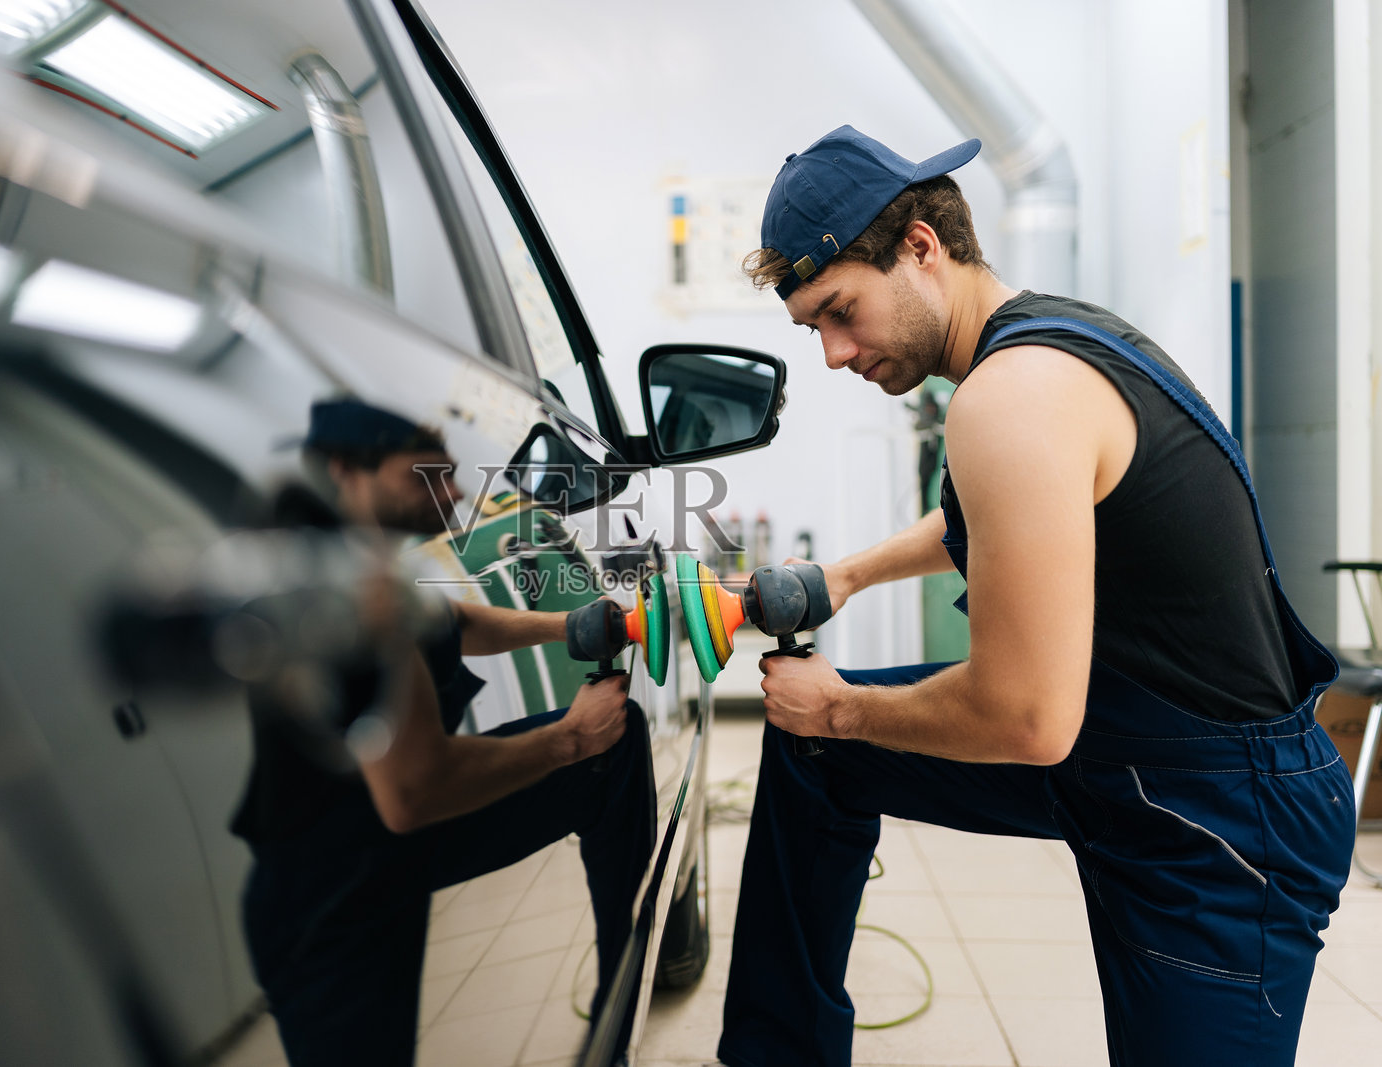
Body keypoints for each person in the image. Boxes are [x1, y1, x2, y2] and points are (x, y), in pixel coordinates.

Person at [716, 125, 1355, 1067]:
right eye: (812, 327)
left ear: (921, 250)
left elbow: (1024, 720)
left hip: (1218, 818)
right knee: (811, 748)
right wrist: (842, 577)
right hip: (1125, 750)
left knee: (830, 727)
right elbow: (1005, 520)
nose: (833, 354)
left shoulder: (1010, 396)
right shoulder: (1049, 343)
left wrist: (845, 706)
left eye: (840, 311)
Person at [231, 398, 655, 1067]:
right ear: (345, 470)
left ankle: (620, 987)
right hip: (330, 899)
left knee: (618, 742)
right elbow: (415, 791)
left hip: (385, 850)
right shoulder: (333, 591)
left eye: (450, 471)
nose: (453, 490)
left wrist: (581, 625)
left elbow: (454, 622)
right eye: (425, 472)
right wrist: (571, 737)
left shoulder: (370, 566)